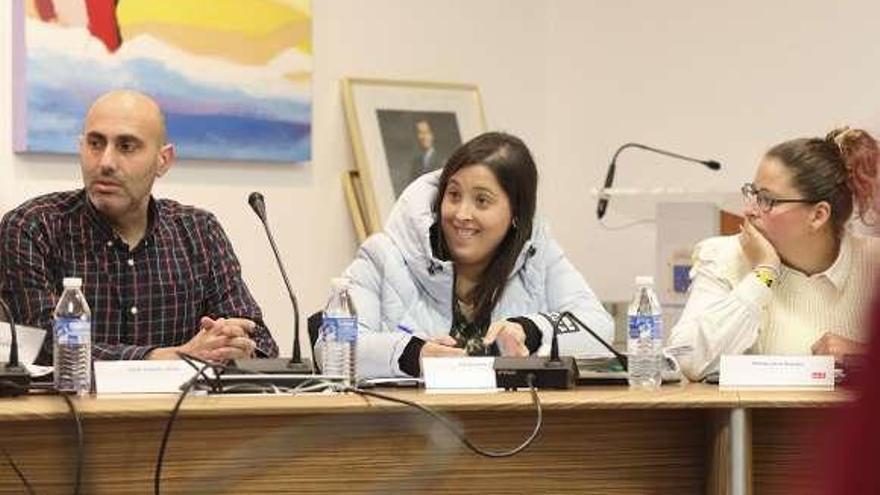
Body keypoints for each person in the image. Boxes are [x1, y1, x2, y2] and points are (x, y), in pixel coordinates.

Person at [0, 89, 278, 364]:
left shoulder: (199, 232)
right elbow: (39, 345)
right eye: (95, 144)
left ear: (163, 160)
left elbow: (261, 339)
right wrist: (168, 357)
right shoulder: (34, 228)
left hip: (185, 408)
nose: (106, 162)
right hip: (72, 407)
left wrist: (233, 344)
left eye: (126, 146)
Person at [333, 131, 614, 378]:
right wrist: (413, 354)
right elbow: (334, 348)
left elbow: (600, 329)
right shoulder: (381, 256)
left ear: (515, 213)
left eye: (481, 201)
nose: (461, 214)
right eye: (453, 195)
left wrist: (530, 329)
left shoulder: (539, 257)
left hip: (515, 426)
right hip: (406, 430)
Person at [668, 127, 880, 381]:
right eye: (753, 194)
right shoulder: (725, 256)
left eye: (767, 200)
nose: (749, 210)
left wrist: (862, 357)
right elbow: (686, 360)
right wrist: (764, 275)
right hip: (753, 420)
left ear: (818, 215)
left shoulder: (872, 263)